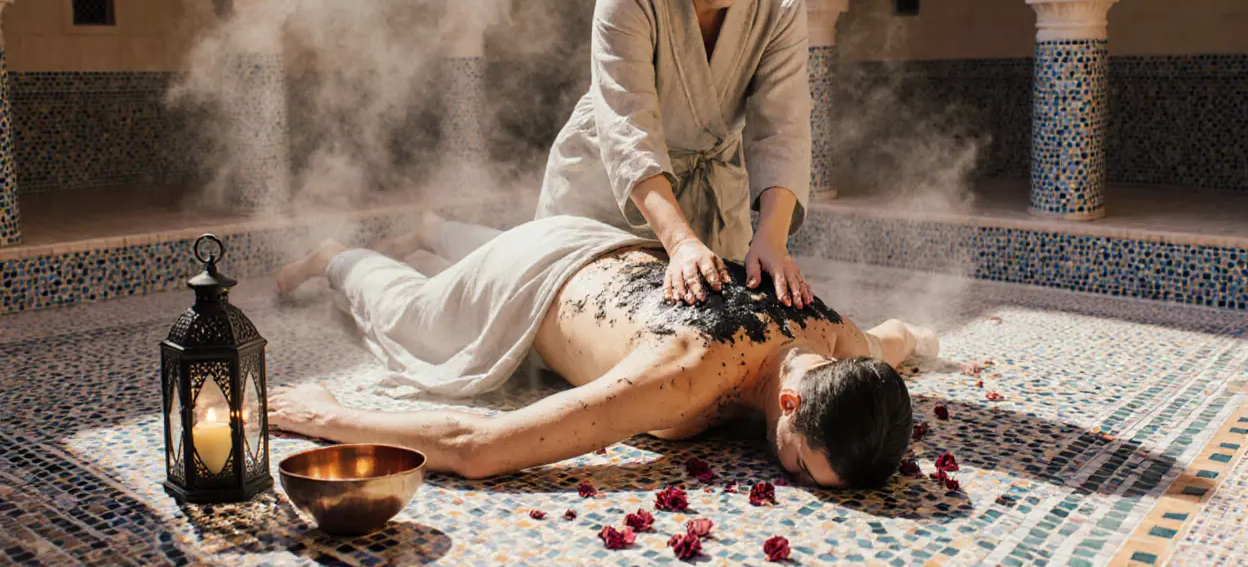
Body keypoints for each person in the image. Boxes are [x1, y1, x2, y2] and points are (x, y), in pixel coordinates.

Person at [269, 213, 938, 488]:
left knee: (508, 247)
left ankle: (436, 228)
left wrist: (927, 343)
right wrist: (327, 419)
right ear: (790, 403)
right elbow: (478, 447)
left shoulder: (833, 333)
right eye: (798, 465)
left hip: (595, 241)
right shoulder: (687, 371)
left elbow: (897, 338)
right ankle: (336, 257)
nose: (786, 471)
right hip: (526, 282)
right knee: (410, 316)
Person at [535, 0, 815, 311]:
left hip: (710, 191)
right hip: (610, 189)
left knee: (714, 331)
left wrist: (772, 239)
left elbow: (781, 127)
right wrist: (680, 242)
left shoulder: (781, 3)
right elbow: (629, 131)